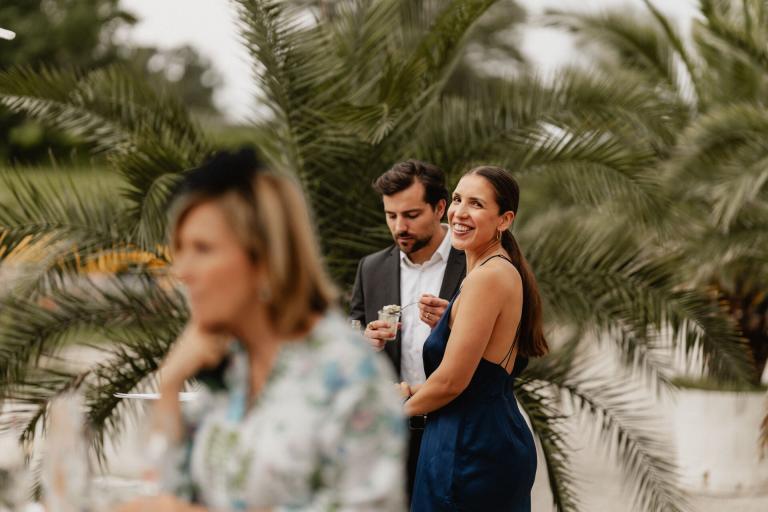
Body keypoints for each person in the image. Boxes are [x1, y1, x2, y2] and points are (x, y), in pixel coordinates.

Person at [117, 148, 405, 512]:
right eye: (180, 250)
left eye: (202, 249)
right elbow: (170, 494)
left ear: (266, 258)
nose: (181, 271)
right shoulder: (231, 367)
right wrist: (171, 383)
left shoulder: (350, 376)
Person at [402, 166, 550, 511]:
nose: (459, 212)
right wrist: (412, 389)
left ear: (504, 220)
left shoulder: (489, 276)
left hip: (470, 450)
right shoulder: (490, 270)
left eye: (477, 204)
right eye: (456, 199)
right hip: (470, 439)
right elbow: (477, 377)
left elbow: (454, 382)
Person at [348, 160, 466, 498]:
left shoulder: (475, 264)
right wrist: (363, 342)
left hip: (454, 432)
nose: (400, 226)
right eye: (391, 215)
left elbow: (511, 352)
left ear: (440, 207)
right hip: (390, 434)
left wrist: (456, 322)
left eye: (411, 215)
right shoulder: (370, 268)